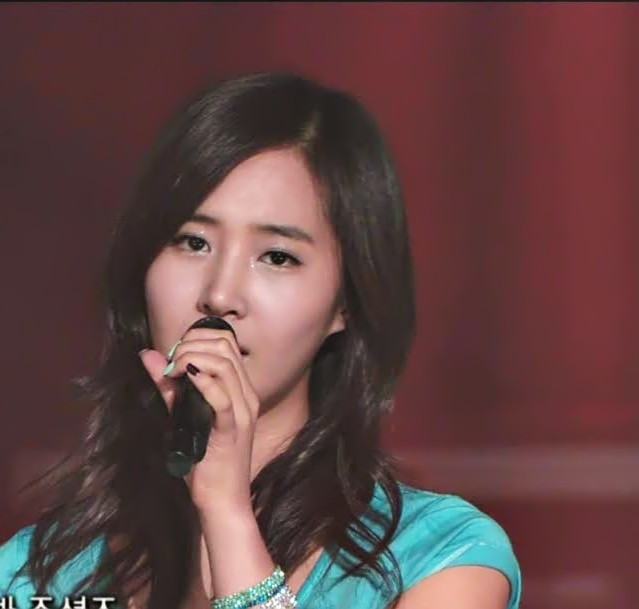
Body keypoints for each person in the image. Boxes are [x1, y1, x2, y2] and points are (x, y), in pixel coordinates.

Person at [0, 72, 522, 609]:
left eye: (277, 256)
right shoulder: (34, 578)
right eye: (192, 242)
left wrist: (226, 514)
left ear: (346, 302)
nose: (220, 295)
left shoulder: (443, 561)